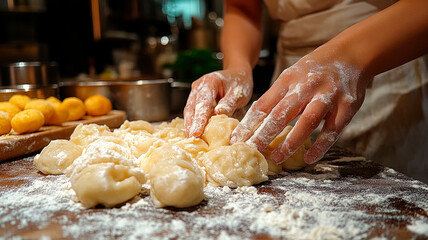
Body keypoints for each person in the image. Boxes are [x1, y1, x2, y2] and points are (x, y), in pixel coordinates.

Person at [184, 0, 428, 181]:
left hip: (383, 62)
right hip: (289, 82)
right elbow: (243, 7)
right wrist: (238, 66)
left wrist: (350, 57)